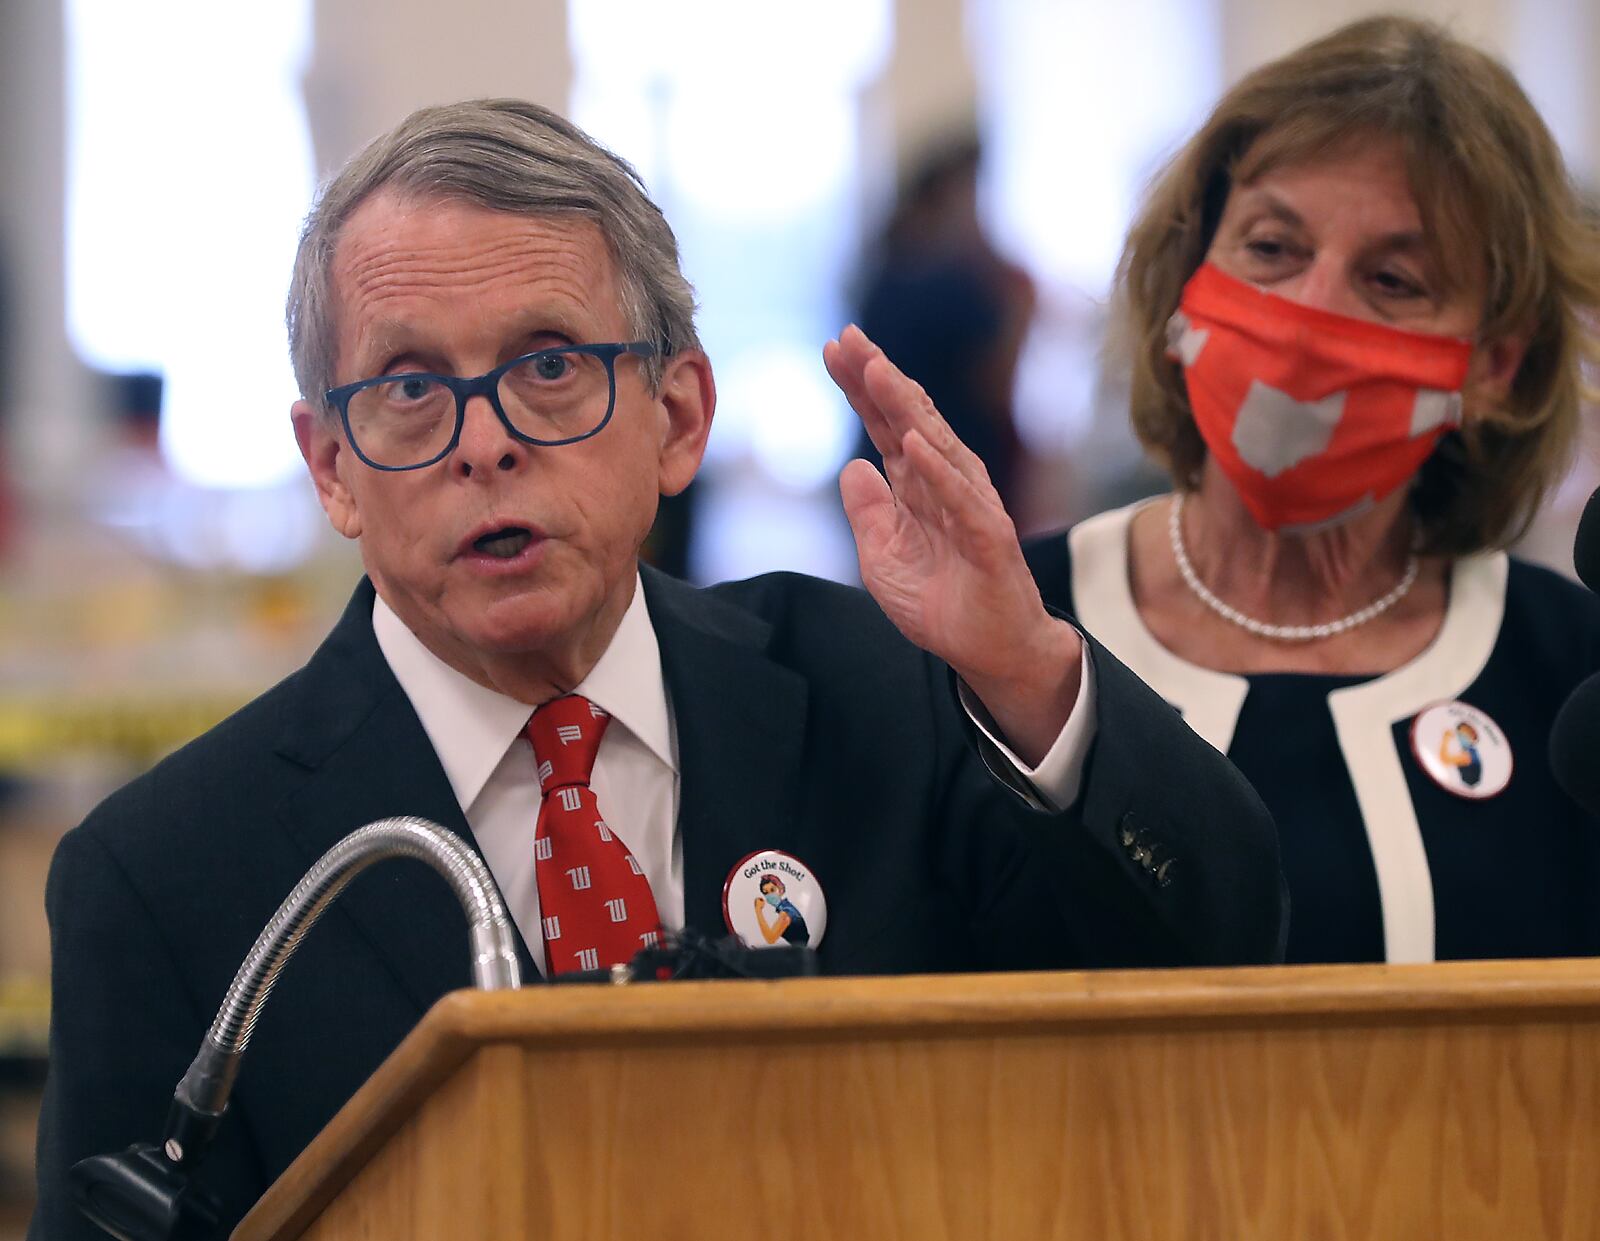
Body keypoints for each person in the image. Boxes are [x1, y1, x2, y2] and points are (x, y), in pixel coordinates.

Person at [32, 100, 1283, 1238]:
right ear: (331, 467)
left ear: (679, 416)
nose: (485, 444)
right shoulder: (164, 872)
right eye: (411, 387)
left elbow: (1225, 946)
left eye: (550, 366)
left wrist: (1028, 673)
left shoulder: (883, 690)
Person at [1024, 16, 1600, 966]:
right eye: (1272, 248)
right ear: (1187, 276)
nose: (1306, 317)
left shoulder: (1569, 679)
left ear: (1497, 363)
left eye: (1392, 279)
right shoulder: (1007, 635)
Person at [852, 134, 1035, 510]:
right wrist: (1021, 308)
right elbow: (995, 386)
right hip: (951, 477)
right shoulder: (952, 286)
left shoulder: (884, 275)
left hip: (887, 466)